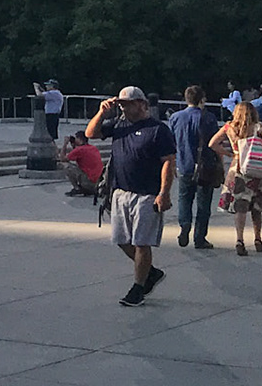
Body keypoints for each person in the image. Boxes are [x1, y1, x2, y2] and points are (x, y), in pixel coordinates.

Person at [85, 87, 175, 306]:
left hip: (147, 194)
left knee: (142, 242)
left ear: (141, 104)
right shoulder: (119, 126)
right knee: (122, 240)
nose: (123, 107)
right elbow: (90, 134)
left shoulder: (157, 129)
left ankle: (138, 288)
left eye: (127, 104)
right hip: (121, 191)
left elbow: (168, 161)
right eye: (121, 104)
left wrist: (164, 192)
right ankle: (150, 273)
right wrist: (101, 112)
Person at [210, 100, 262, 256]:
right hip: (257, 169)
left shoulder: (229, 127)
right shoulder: (258, 127)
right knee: (256, 207)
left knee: (241, 206)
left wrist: (231, 154)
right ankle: (258, 239)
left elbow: (212, 144)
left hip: (238, 168)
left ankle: (240, 240)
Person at [166, 86, 221, 250]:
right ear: (202, 99)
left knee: (184, 198)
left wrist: (172, 164)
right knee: (204, 205)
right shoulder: (209, 118)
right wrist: (220, 164)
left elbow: (171, 144)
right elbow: (215, 144)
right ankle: (200, 238)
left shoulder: (176, 118)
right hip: (206, 166)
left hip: (184, 165)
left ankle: (184, 224)